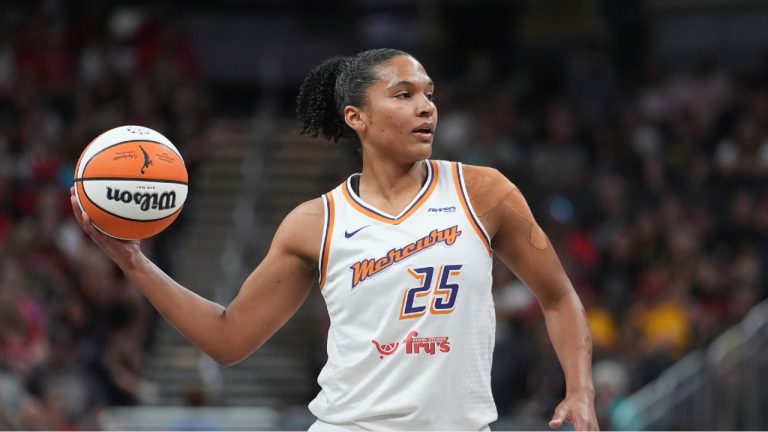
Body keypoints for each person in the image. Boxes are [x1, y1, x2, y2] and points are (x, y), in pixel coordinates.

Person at [70, 48, 598, 431]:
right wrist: (135, 264)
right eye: (404, 94)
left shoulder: (484, 192)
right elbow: (229, 338)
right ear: (356, 117)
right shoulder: (314, 222)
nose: (426, 107)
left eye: (429, 95)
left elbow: (558, 296)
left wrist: (580, 390)